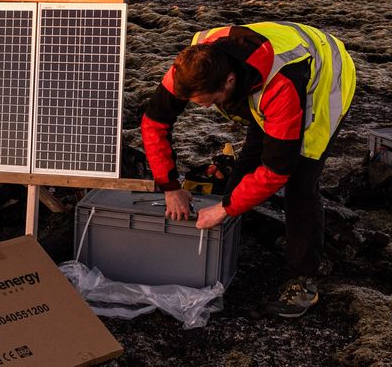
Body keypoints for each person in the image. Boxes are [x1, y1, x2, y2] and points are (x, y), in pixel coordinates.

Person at [141, 22, 356, 317]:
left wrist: (225, 209)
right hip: (259, 79)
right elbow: (155, 122)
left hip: (322, 79)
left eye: (209, 102)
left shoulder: (280, 85)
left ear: (228, 81)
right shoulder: (191, 66)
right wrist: (169, 186)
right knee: (248, 163)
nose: (203, 109)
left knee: (300, 182)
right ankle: (226, 248)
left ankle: (303, 280)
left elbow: (277, 170)